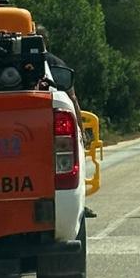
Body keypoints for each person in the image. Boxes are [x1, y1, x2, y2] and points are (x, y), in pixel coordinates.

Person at [36, 25, 96, 219]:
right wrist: (79, 127)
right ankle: (75, 206)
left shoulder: (8, 63)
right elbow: (72, 98)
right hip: (54, 125)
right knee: (66, 168)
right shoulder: (57, 64)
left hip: (30, 128)